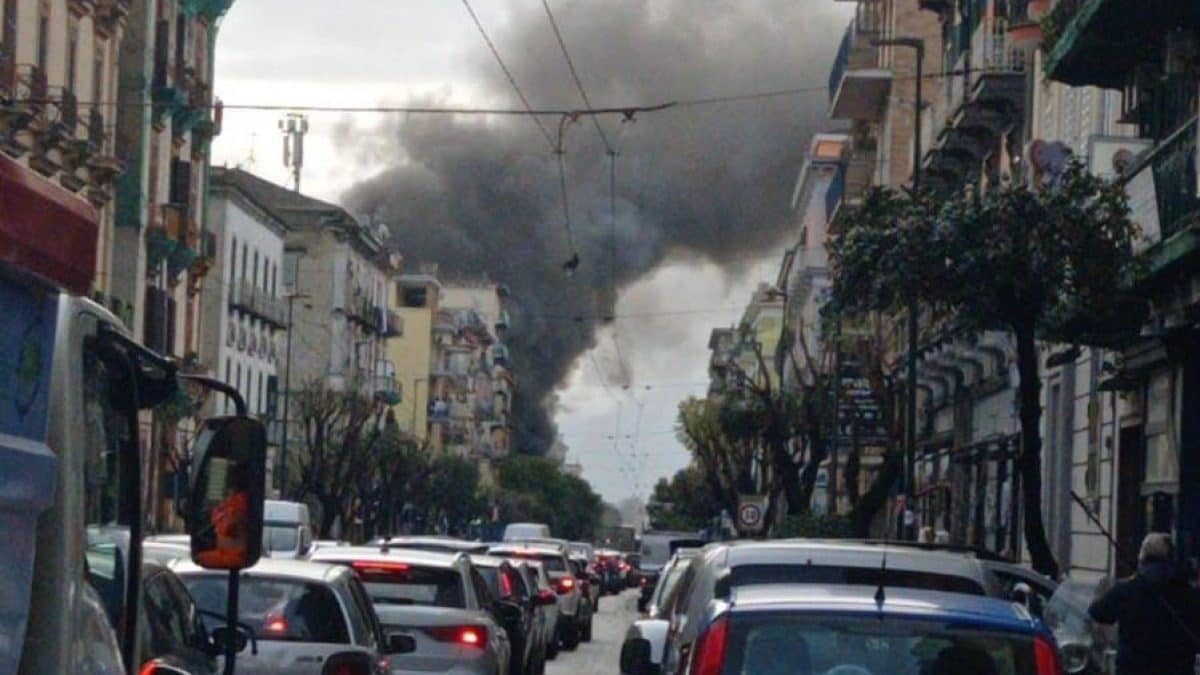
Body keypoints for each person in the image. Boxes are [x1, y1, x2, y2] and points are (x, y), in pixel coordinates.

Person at [1088, 533, 1200, 675]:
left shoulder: (1128, 590)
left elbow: (1098, 612)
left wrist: (1102, 592)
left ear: (1142, 557)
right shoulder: (1188, 592)